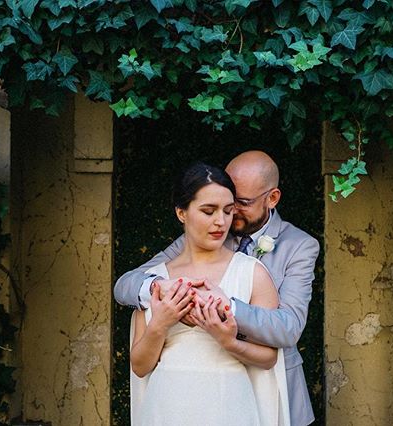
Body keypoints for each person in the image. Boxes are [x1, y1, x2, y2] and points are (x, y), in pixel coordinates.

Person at [116, 151, 320, 426]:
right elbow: (129, 284)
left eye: (237, 205)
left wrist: (227, 310)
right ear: (182, 213)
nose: (224, 219)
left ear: (271, 198)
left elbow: (289, 327)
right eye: (213, 209)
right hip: (170, 402)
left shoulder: (298, 247)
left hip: (255, 391)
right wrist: (157, 290)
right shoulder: (191, 241)